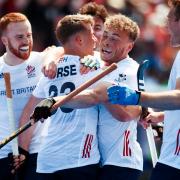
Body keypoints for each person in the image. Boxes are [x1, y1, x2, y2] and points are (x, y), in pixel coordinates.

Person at [33, 14, 143, 180]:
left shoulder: (127, 69)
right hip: (92, 159)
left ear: (129, 46)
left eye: (115, 38)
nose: (105, 41)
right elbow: (59, 48)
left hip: (120, 159)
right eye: (104, 35)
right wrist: (51, 60)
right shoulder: (95, 63)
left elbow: (127, 113)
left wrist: (57, 100)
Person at [19, 14, 101, 180]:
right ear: (79, 40)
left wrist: (22, 153)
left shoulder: (49, 72)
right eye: (92, 34)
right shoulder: (94, 68)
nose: (96, 39)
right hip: (78, 158)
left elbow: (28, 115)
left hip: (47, 158)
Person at [107, 0, 180, 179]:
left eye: (169, 18)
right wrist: (162, 117)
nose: (165, 24)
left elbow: (179, 98)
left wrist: (137, 97)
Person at [0, 12, 57, 180]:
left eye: (28, 35)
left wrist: (52, 58)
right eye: (19, 37)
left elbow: (58, 49)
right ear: (4, 41)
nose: (26, 41)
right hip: (5, 154)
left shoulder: (41, 60)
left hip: (39, 151)